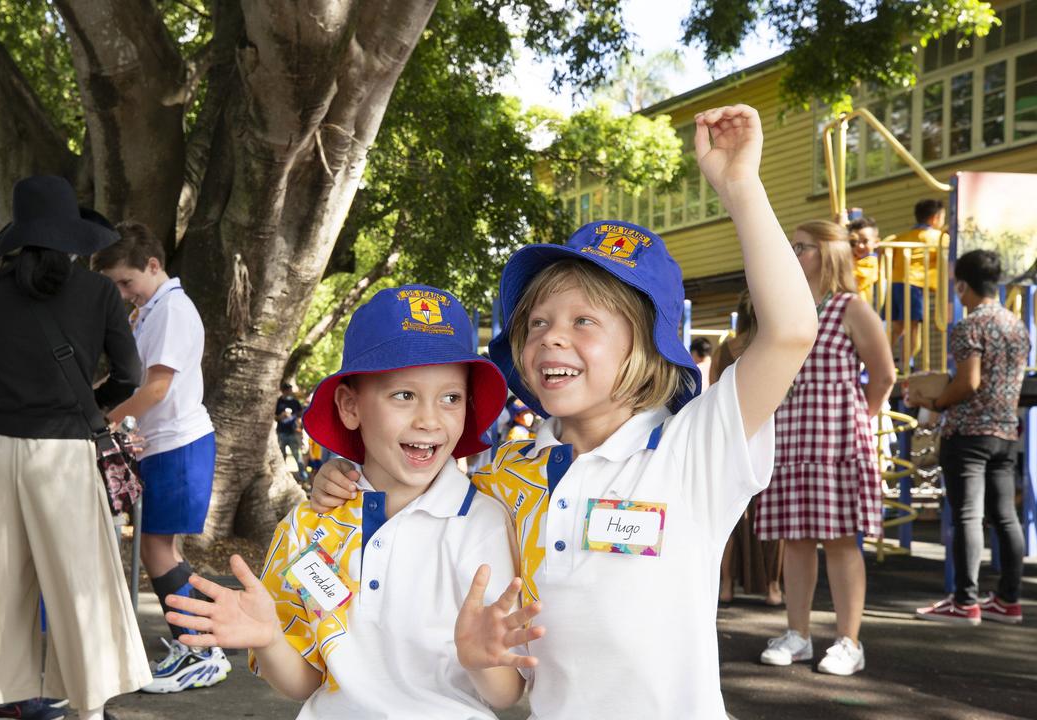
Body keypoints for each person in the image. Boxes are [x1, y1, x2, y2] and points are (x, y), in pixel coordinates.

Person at [313, 105, 818, 717]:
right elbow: (408, 477)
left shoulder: (691, 451)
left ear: (648, 344)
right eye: (538, 324)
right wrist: (341, 474)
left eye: (585, 322)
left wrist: (740, 186)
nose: (552, 338)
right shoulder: (504, 467)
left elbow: (790, 331)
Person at [166, 284, 532, 717]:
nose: (430, 418)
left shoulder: (484, 523)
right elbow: (305, 681)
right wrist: (269, 639)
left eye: (450, 398)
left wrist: (480, 658)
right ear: (350, 406)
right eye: (404, 395)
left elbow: (506, 695)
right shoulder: (306, 526)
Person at [0, 176, 150, 720]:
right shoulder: (98, 292)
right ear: (72, 235)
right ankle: (90, 710)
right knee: (80, 581)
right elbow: (130, 374)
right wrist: (91, 403)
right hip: (66, 452)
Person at [92, 221, 230, 693]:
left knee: (155, 549)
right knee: (162, 549)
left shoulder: (172, 309)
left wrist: (105, 418)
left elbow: (155, 388)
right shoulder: (152, 309)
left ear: (153, 265)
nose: (123, 293)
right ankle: (203, 642)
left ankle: (201, 650)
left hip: (178, 442)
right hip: (164, 443)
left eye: (126, 282)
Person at [756, 220, 896, 676]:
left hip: (834, 434)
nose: (794, 253)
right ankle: (798, 634)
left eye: (803, 247)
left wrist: (860, 416)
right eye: (793, 246)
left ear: (828, 254)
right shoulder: (790, 306)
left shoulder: (849, 306)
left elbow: (884, 374)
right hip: (793, 433)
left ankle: (849, 641)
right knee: (795, 540)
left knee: (839, 541)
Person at [909, 249, 1029, 625]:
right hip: (1006, 431)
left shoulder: (969, 326)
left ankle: (965, 601)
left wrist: (937, 402)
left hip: (968, 433)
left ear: (963, 285)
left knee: (967, 516)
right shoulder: (1017, 325)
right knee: (1006, 517)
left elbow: (969, 381)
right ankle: (1008, 599)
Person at [714, 291, 784, 607]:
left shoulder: (726, 349)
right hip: (773, 437)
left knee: (729, 518)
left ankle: (726, 586)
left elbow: (714, 395)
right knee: (775, 519)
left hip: (733, 437)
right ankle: (772, 587)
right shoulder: (773, 347)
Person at [889, 199, 946, 364]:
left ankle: (880, 360)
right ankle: (905, 363)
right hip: (914, 284)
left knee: (898, 327)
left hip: (897, 283)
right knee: (913, 329)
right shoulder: (937, 238)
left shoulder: (903, 237)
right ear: (935, 218)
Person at [276, 382, 308, 482]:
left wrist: (298, 420)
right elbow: (274, 416)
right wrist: (281, 416)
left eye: (289, 389)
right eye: (286, 390)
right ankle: (281, 478)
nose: (288, 392)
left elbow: (300, 413)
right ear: (283, 391)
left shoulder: (294, 401)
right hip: (281, 432)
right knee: (281, 457)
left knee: (297, 457)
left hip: (293, 432)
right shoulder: (279, 401)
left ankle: (303, 478)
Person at [847, 216, 880, 307]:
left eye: (865, 241)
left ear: (876, 242)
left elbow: (852, 281)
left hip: (863, 309)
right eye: (854, 242)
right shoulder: (854, 258)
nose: (860, 246)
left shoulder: (870, 262)